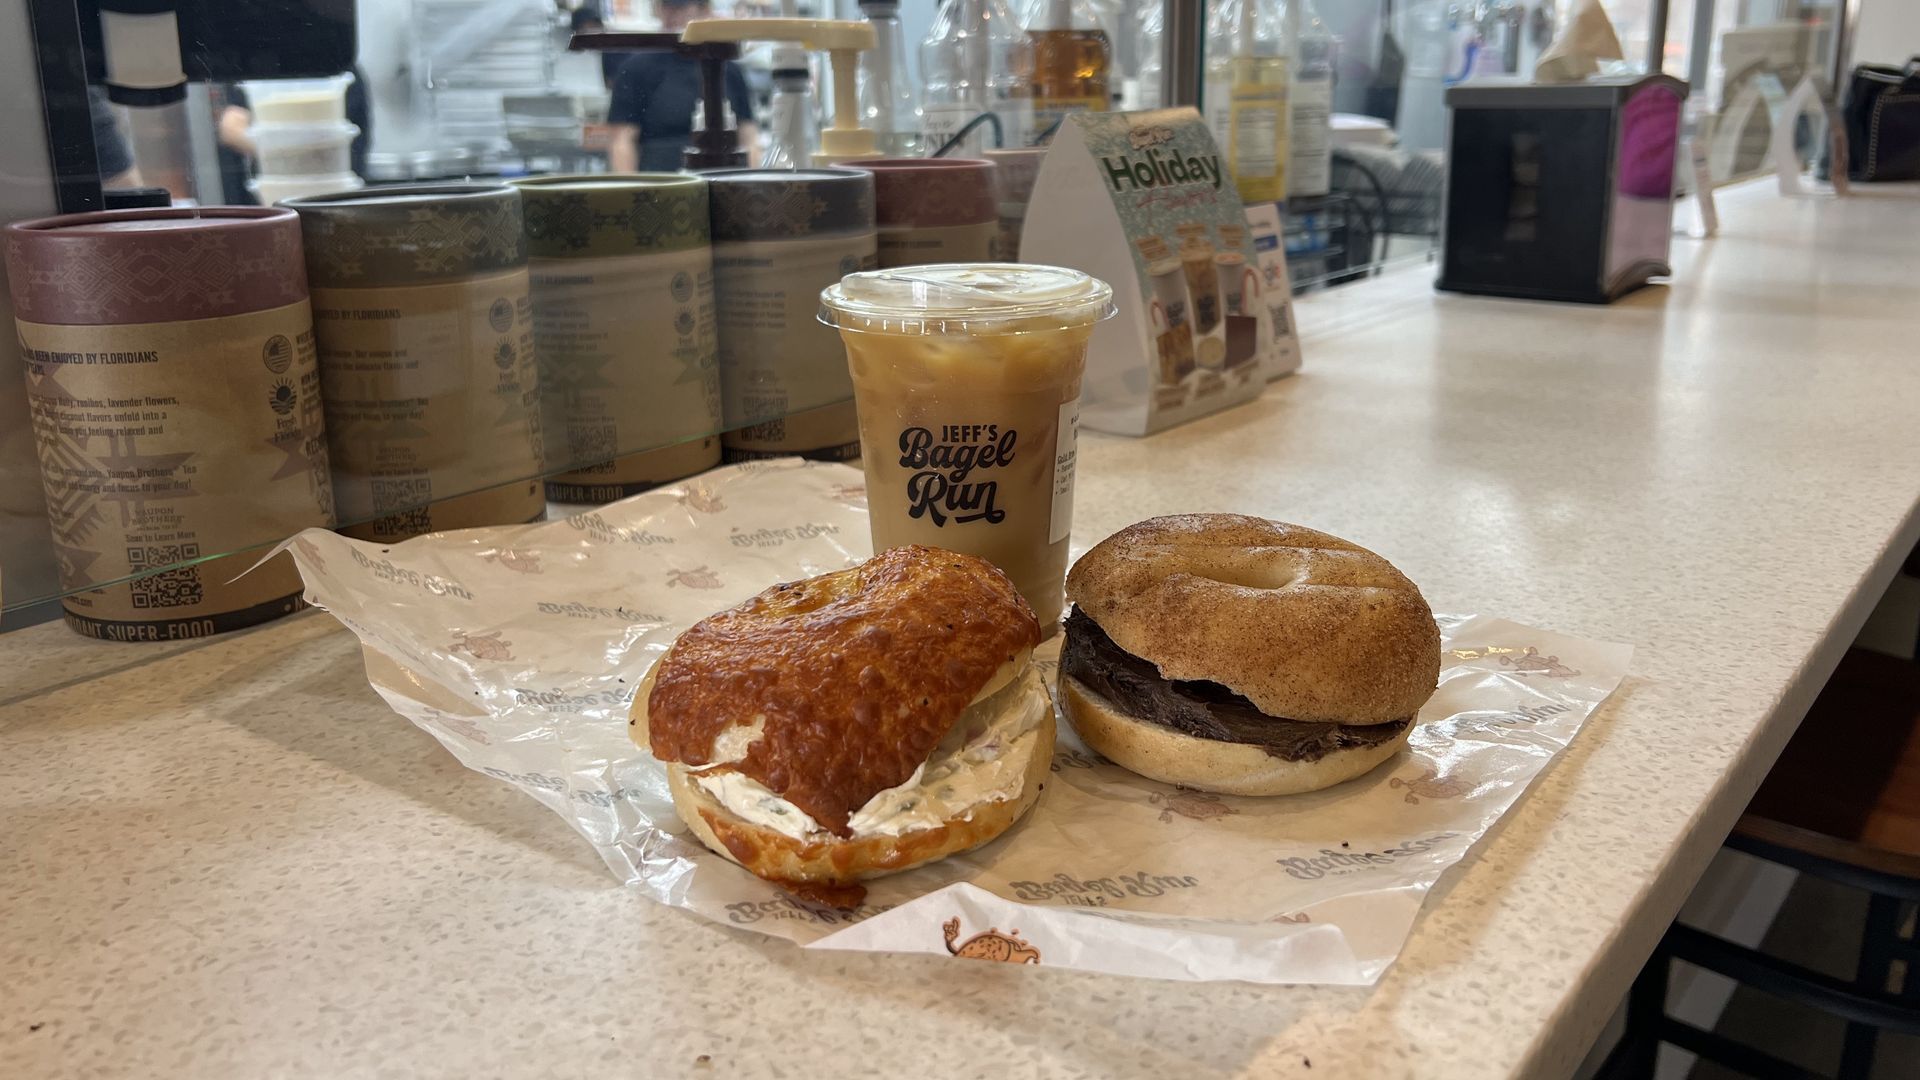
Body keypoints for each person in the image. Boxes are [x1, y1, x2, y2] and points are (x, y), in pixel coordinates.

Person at [606, 0, 759, 172]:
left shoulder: (728, 69)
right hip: (662, 183)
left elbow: (749, 138)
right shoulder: (635, 69)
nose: (671, 13)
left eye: (681, 7)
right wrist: (631, 194)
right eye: (666, 6)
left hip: (723, 178)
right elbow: (622, 140)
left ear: (704, 10)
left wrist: (751, 187)